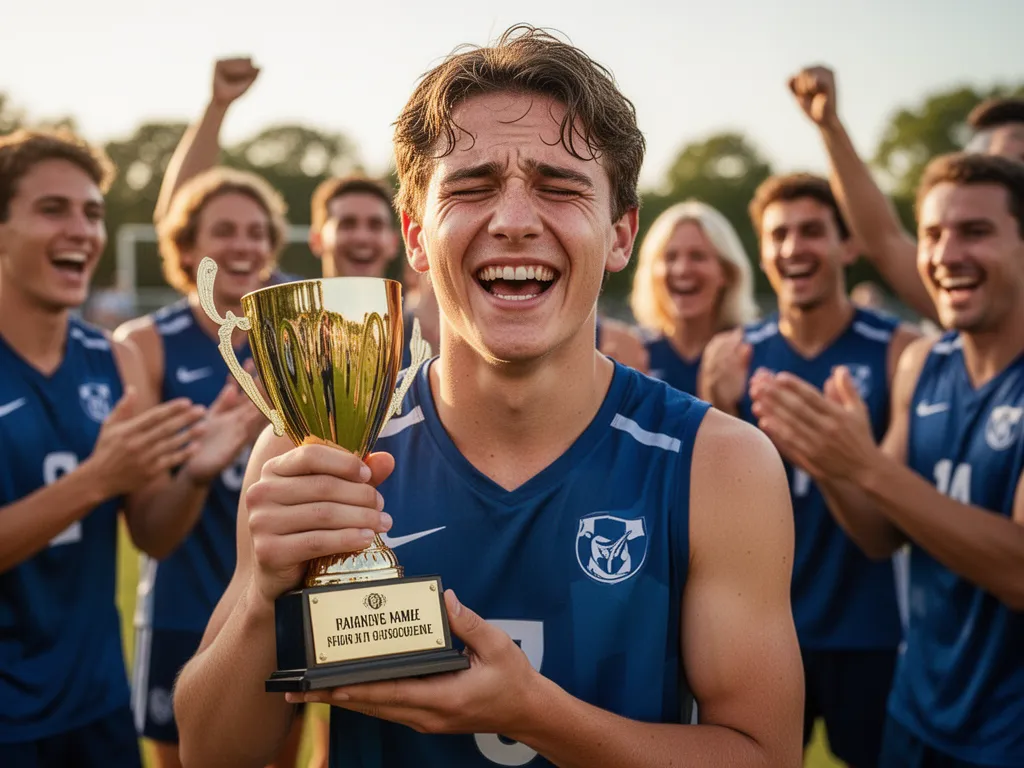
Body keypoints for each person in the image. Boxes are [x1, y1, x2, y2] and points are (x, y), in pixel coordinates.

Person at [173, 25, 803, 768]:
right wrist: (260, 600)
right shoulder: (312, 451)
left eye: (560, 186)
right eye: (470, 188)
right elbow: (212, 755)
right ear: (415, 237)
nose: (512, 221)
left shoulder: (719, 465)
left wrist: (532, 713)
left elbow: (766, 756)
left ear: (621, 234)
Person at [750, 152, 1024, 768]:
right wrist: (832, 460)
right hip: (916, 711)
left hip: (1008, 733)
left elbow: (1019, 572)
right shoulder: (925, 365)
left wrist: (865, 465)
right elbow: (881, 534)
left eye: (975, 232)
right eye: (932, 235)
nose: (946, 255)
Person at [0, 130, 208, 766]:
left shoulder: (112, 359)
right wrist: (95, 480)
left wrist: (196, 473)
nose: (83, 231)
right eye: (53, 209)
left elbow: (153, 534)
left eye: (92, 213)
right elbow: (100, 481)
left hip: (95, 701)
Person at [701, 172, 920, 767]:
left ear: (848, 246)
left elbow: (888, 526)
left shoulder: (897, 348)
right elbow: (714, 510)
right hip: (760, 628)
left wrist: (827, 453)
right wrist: (720, 408)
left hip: (870, 627)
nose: (793, 248)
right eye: (778, 235)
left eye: (812, 232)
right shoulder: (734, 352)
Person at [114, 167, 286, 768]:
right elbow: (150, 529)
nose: (245, 245)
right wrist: (198, 466)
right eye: (225, 231)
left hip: (282, 600)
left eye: (257, 232)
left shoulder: (298, 334)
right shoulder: (145, 343)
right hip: (184, 603)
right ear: (185, 248)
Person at [788, 66, 1024, 326]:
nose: (948, 257)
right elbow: (882, 239)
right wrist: (830, 126)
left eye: (1014, 165)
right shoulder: (959, 294)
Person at [629, 200, 758, 395]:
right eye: (670, 257)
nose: (682, 270)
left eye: (697, 256)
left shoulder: (751, 353)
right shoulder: (632, 355)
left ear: (727, 272)